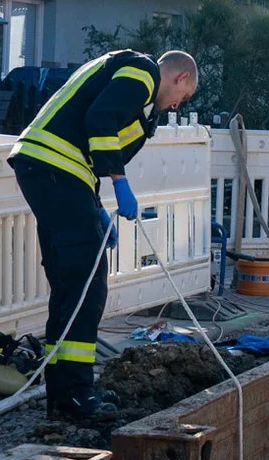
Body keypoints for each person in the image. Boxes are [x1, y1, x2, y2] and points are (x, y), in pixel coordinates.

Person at [11, 46, 200, 424]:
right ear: (180, 77)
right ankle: (77, 396)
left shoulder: (132, 84)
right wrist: (121, 184)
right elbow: (100, 120)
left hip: (54, 170)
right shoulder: (143, 72)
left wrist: (94, 202)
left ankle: (64, 396)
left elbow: (87, 136)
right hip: (55, 169)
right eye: (185, 95)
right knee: (87, 286)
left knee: (70, 285)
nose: (179, 105)